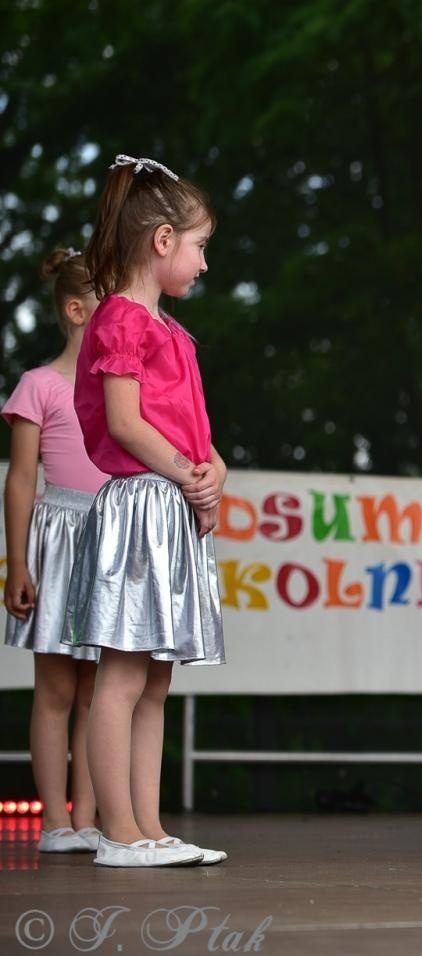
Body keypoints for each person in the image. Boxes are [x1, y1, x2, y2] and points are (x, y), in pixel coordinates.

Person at [62, 154, 227, 868]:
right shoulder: (120, 321)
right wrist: (189, 477)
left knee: (155, 675)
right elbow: (127, 424)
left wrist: (212, 473)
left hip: (171, 502)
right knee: (123, 673)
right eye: (199, 248)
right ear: (162, 241)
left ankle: (149, 826)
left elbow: (199, 435)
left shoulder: (174, 334)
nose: (203, 264)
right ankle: (116, 831)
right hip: (139, 502)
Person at [3, 249, 109, 854]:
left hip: (110, 543)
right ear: (76, 310)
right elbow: (20, 479)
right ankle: (53, 823)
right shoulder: (39, 385)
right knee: (56, 690)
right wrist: (18, 563)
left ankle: (90, 815)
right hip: (58, 541)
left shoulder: (120, 391)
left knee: (100, 689)